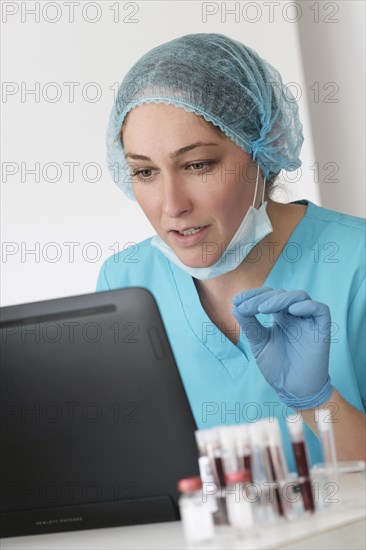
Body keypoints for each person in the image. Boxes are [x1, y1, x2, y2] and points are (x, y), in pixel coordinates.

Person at [96, 33, 365, 470]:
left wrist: (318, 402)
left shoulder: (357, 262)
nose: (172, 205)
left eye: (197, 164)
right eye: (144, 171)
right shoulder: (124, 283)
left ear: (264, 145)